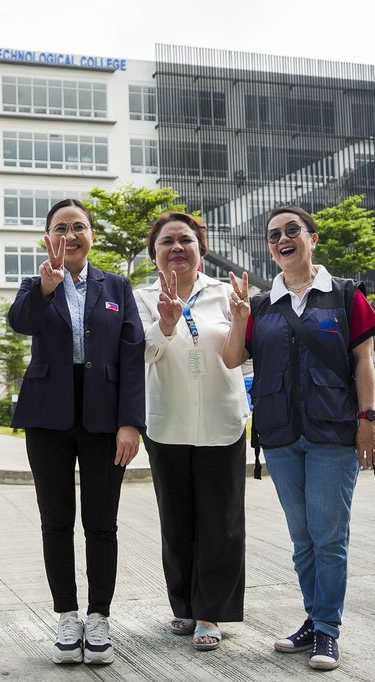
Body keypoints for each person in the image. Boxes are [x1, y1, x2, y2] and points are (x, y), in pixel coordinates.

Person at [222, 206, 375, 672]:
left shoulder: (346, 295)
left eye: (293, 230)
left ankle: (328, 630)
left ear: (313, 237)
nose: (282, 239)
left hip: (334, 432)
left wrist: (367, 418)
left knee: (330, 536)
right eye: (273, 235)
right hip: (280, 435)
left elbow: (363, 362)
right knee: (303, 539)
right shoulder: (261, 304)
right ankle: (315, 619)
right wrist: (238, 317)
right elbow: (234, 359)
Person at [9, 199, 144, 666]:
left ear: (92, 235)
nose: (70, 234)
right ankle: (67, 614)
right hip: (48, 416)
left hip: (105, 418)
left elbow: (132, 356)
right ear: (49, 237)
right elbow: (19, 323)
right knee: (56, 520)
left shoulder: (118, 287)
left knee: (102, 523)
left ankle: (99, 615)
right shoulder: (35, 284)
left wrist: (131, 421)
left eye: (79, 227)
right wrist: (45, 289)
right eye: (60, 228)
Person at [134, 212, 249, 651]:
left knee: (222, 522)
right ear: (156, 252)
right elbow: (140, 354)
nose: (177, 247)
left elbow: (240, 357)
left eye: (186, 240)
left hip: (222, 421)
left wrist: (241, 321)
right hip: (167, 423)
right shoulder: (141, 298)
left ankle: (210, 612)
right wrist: (165, 322)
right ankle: (182, 604)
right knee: (176, 520)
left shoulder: (226, 293)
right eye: (167, 241)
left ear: (201, 250)